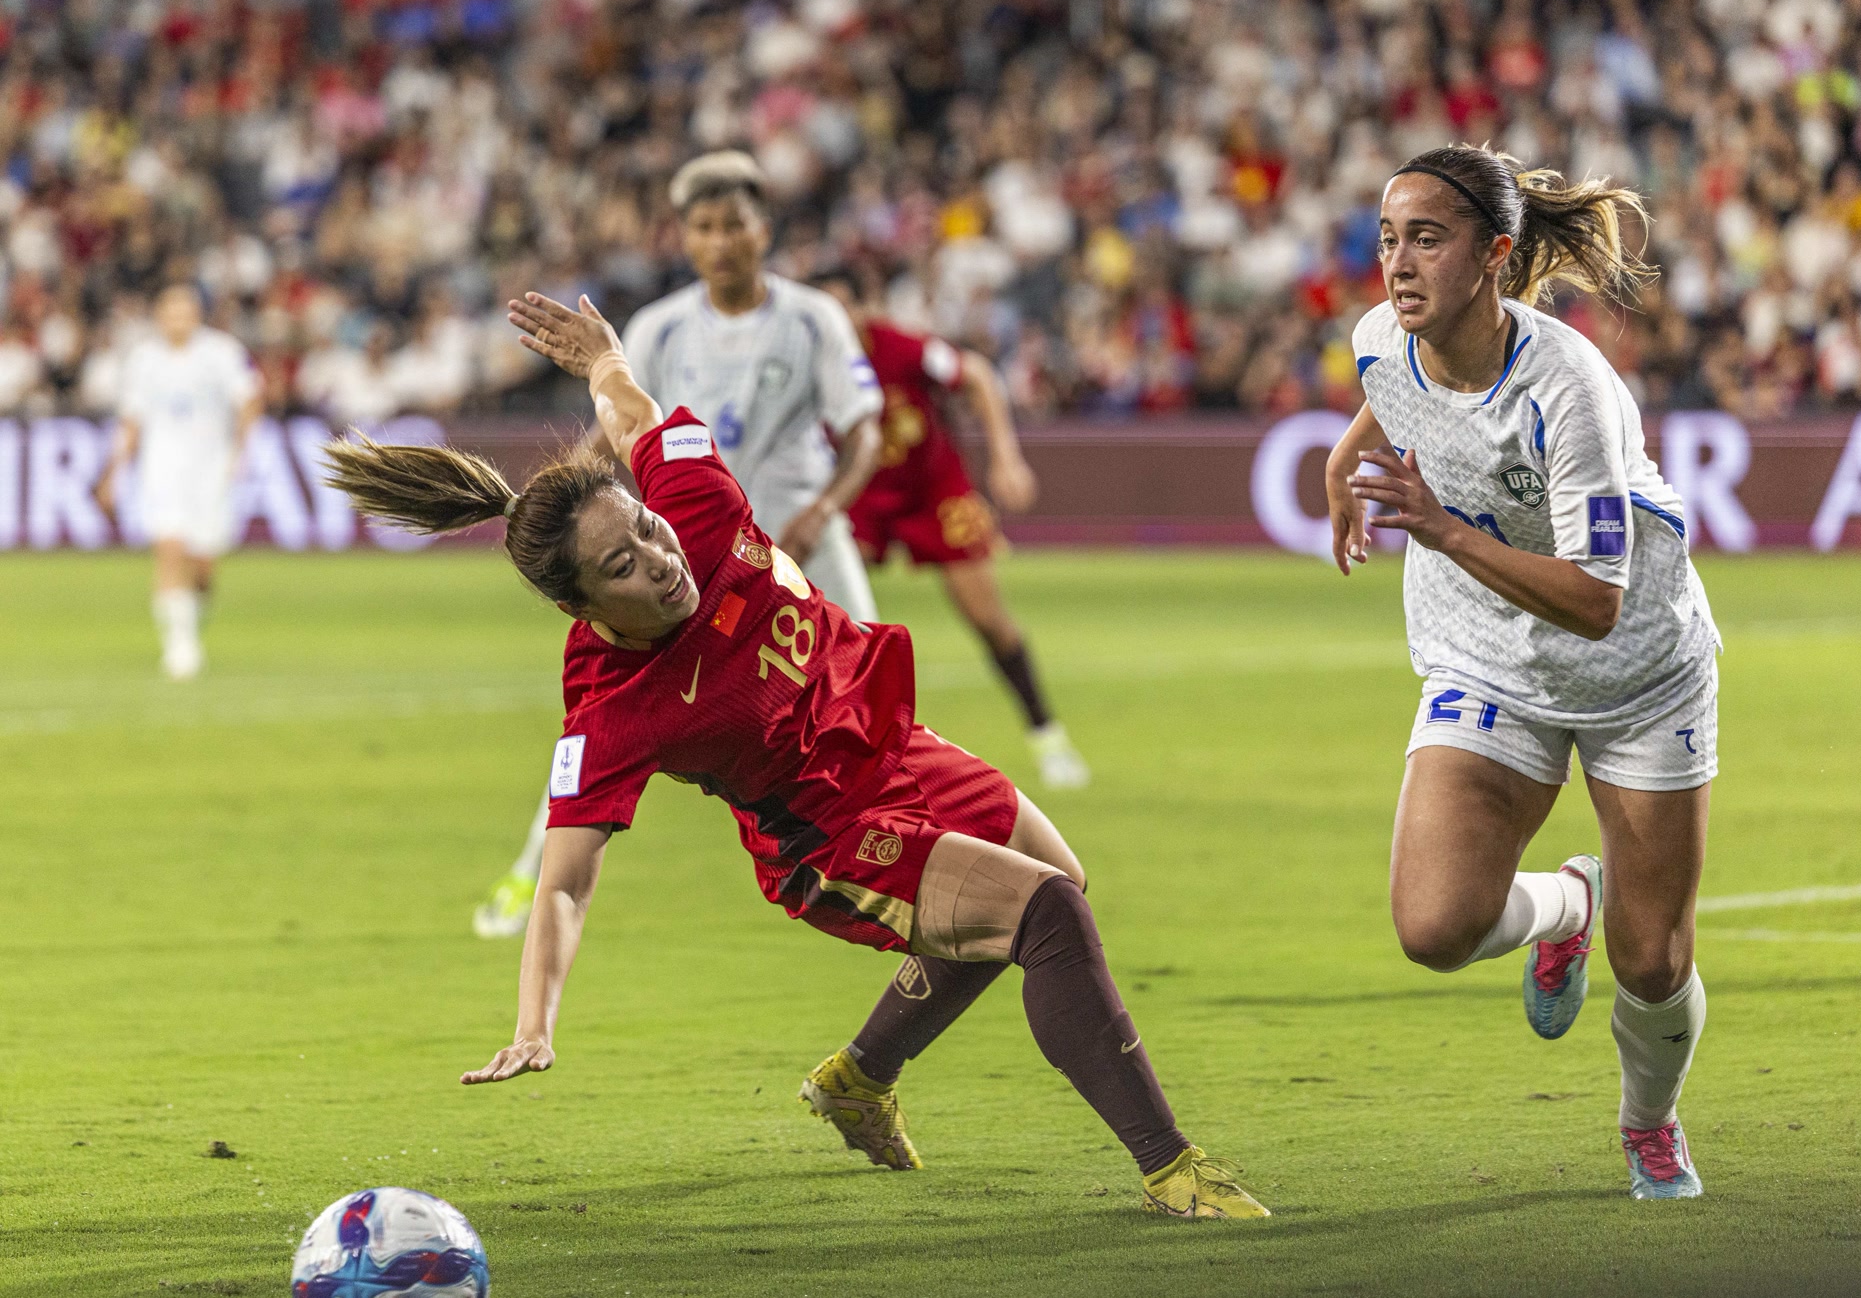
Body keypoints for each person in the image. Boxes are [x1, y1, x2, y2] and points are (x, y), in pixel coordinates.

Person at [323, 290, 1269, 1220]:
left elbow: (634, 416)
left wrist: (602, 356)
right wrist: (535, 1023)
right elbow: (565, 883)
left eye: (644, 529)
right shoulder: (609, 707)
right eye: (621, 568)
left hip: (889, 741)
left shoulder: (694, 498)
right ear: (582, 608)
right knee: (1046, 911)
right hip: (828, 836)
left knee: (1057, 884)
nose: (659, 561)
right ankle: (1173, 1171)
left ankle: (860, 1076)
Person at [1325, 145, 1719, 1201]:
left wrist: (1444, 531)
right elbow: (1392, 385)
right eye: (1389, 239)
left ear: (1496, 255)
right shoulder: (1380, 337)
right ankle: (1565, 906)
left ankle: (1650, 1124)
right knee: (1434, 928)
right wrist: (1342, 458)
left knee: (1653, 961)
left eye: (1428, 239)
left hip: (1635, 669)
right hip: (1488, 652)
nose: (1398, 264)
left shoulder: (1571, 389)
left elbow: (1597, 601)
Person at [473, 151, 884, 937]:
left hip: (800, 536)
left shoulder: (813, 319)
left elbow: (863, 430)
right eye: (703, 227)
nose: (720, 241)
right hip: (689, 547)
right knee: (602, 718)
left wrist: (825, 509)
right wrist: (551, 515)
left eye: (734, 224)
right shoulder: (660, 328)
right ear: (685, 237)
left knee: (872, 682)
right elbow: (612, 433)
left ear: (764, 230)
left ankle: (902, 845)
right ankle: (533, 875)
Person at [815, 269, 1090, 791]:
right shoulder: (809, 359)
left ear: (865, 307)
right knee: (830, 620)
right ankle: (830, 754)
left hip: (933, 489)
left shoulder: (903, 348)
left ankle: (1048, 737)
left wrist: (1006, 458)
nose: (838, 321)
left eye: (845, 307)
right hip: (861, 493)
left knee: (988, 619)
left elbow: (978, 376)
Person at [96, 285, 263, 680]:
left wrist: (241, 450)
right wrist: (112, 473)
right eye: (171, 313)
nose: (177, 321)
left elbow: (250, 399)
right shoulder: (144, 360)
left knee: (202, 566)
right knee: (170, 547)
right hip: (161, 469)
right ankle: (180, 644)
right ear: (159, 317)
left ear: (197, 315)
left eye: (184, 313)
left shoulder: (221, 353)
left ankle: (189, 620)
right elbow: (132, 420)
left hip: (211, 470)